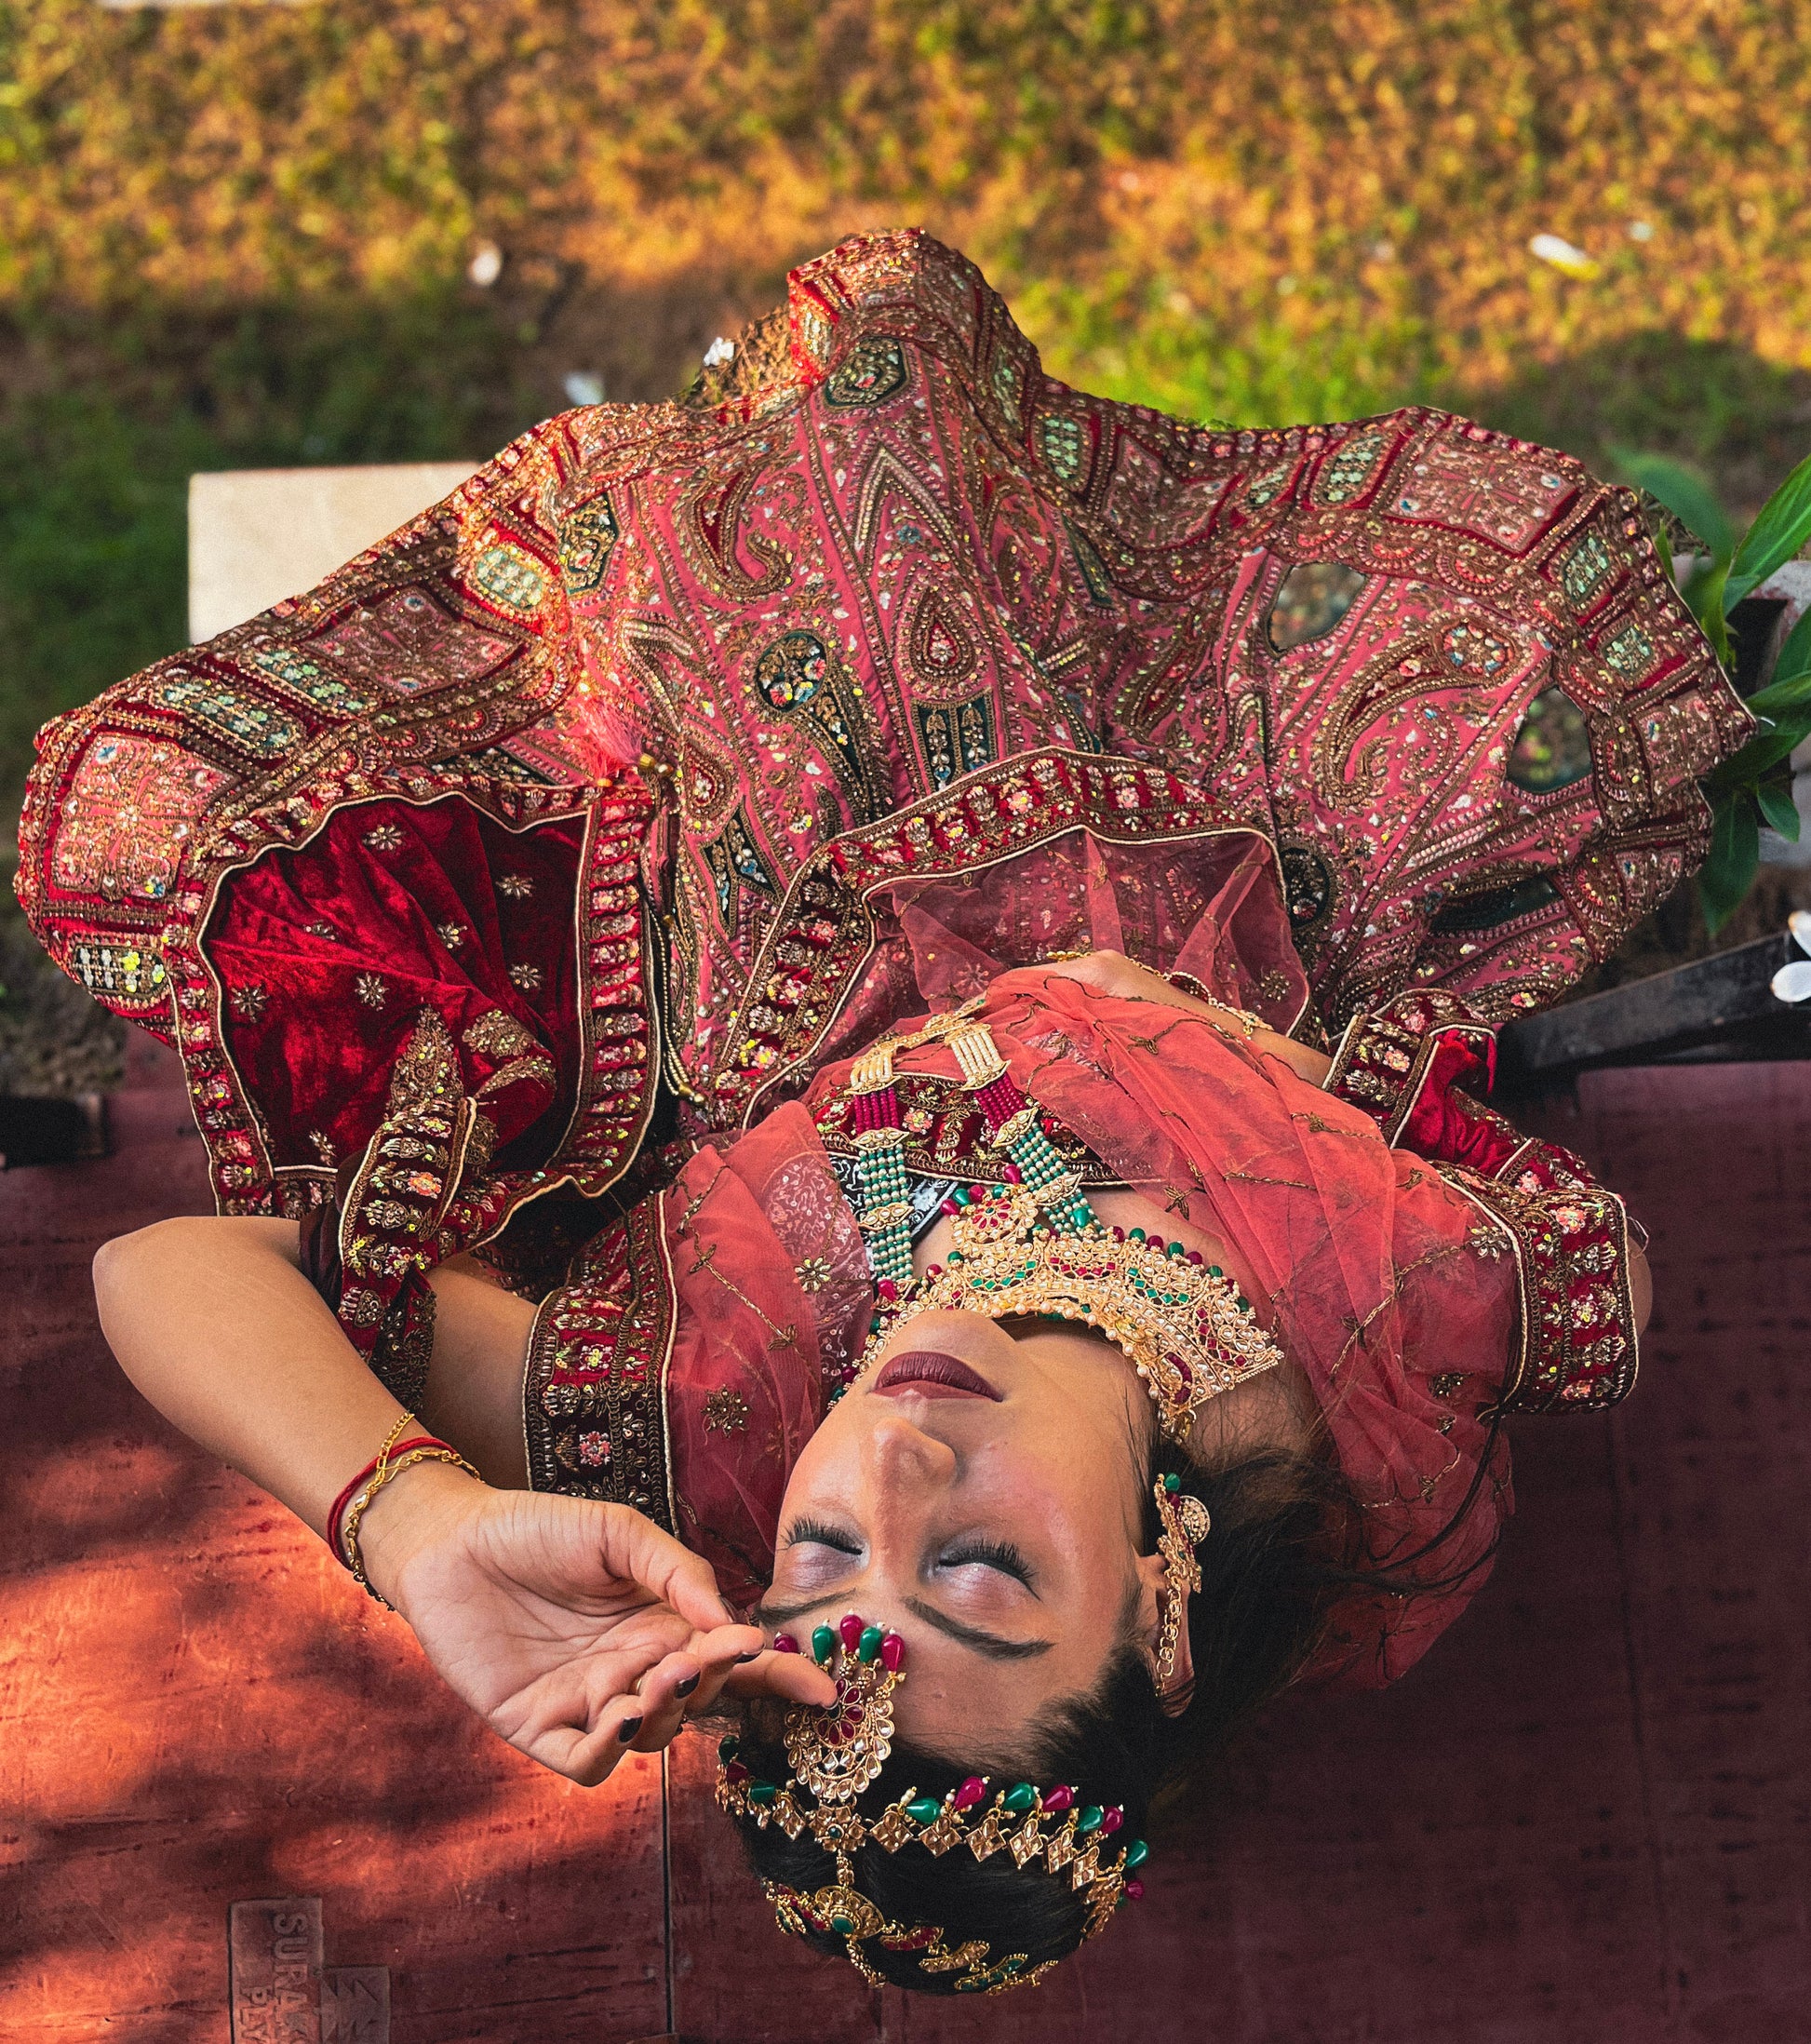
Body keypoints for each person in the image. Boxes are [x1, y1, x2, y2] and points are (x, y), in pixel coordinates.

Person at [19, 230, 1732, 1994]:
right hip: (1209, 821)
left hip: (791, 898)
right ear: (1156, 1615)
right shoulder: (1391, 1354)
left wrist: (414, 1523)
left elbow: (168, 1270)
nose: (891, 1463)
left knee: (856, 410)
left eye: (825, 1554)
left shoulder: (700, 1428)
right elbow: (1550, 1265)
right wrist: (1250, 1061)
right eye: (983, 1568)